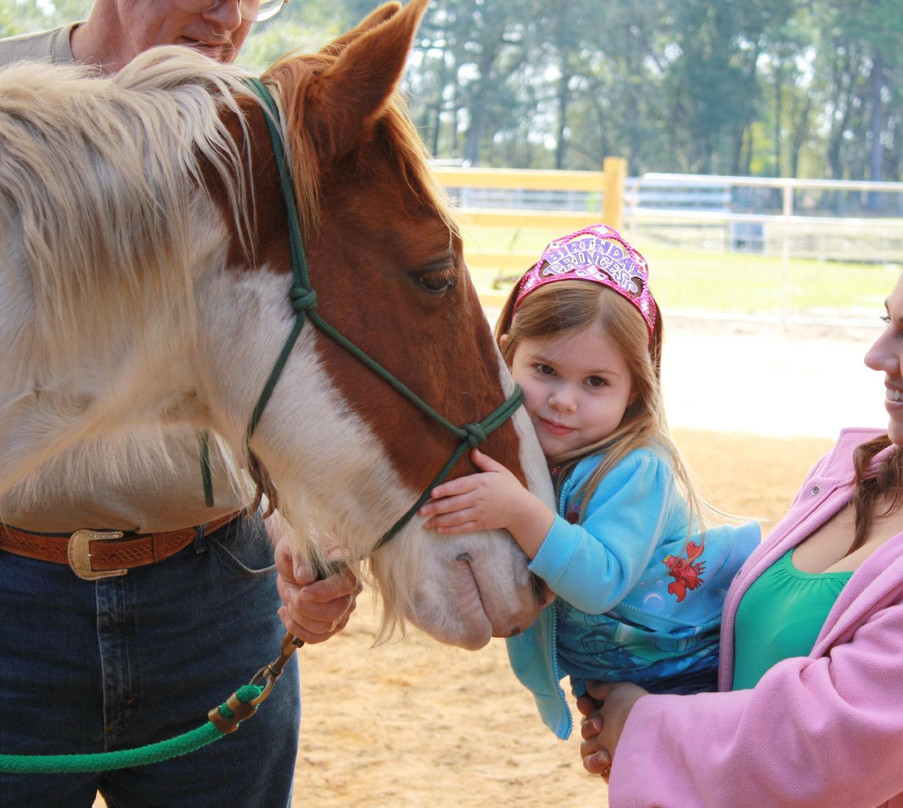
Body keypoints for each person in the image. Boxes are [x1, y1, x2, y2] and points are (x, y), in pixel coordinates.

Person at [576, 208, 903, 807]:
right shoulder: (856, 475)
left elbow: (828, 749)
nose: (875, 354)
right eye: (886, 322)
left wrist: (647, 728)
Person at [0, 3, 360, 807]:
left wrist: (307, 532)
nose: (230, 14)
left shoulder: (262, 135)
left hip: (216, 606)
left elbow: (284, 385)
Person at [419, 224, 761, 739]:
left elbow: (600, 580)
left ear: (635, 393)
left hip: (690, 679)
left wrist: (519, 512)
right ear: (504, 355)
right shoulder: (516, 451)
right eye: (545, 369)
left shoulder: (637, 469)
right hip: (631, 686)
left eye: (596, 382)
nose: (564, 400)